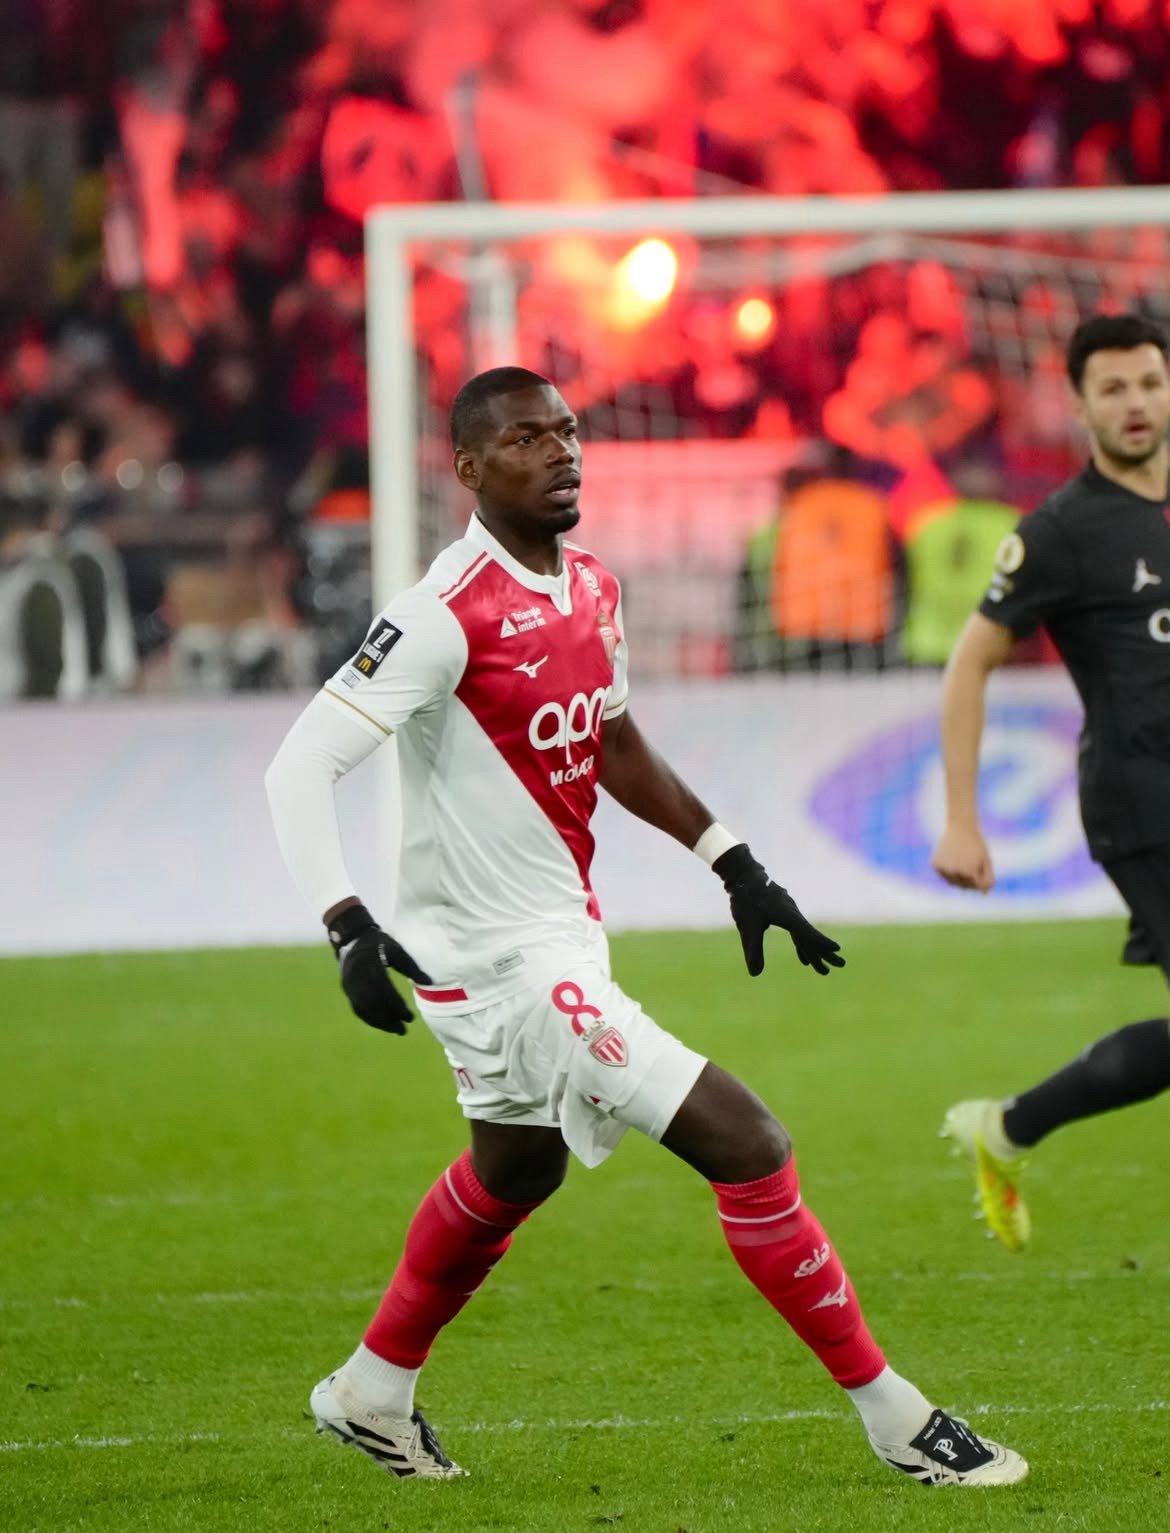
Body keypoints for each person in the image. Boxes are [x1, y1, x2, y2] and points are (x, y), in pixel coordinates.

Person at [266, 366, 1025, 1488]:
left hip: (559, 938)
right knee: (750, 1146)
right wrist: (345, 924)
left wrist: (734, 862)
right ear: (467, 469)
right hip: (503, 968)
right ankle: (899, 1419)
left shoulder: (593, 589)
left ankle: (372, 1392)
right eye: (526, 439)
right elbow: (298, 767)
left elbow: (613, 743)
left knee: (516, 1169)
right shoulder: (439, 613)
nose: (560, 453)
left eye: (567, 431)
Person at [933, 312, 1170, 1253]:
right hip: (1143, 801)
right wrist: (962, 819)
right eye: (1112, 389)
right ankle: (1007, 1127)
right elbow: (969, 664)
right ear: (1078, 406)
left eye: (1149, 382)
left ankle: (1008, 1127)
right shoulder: (1062, 532)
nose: (1135, 403)